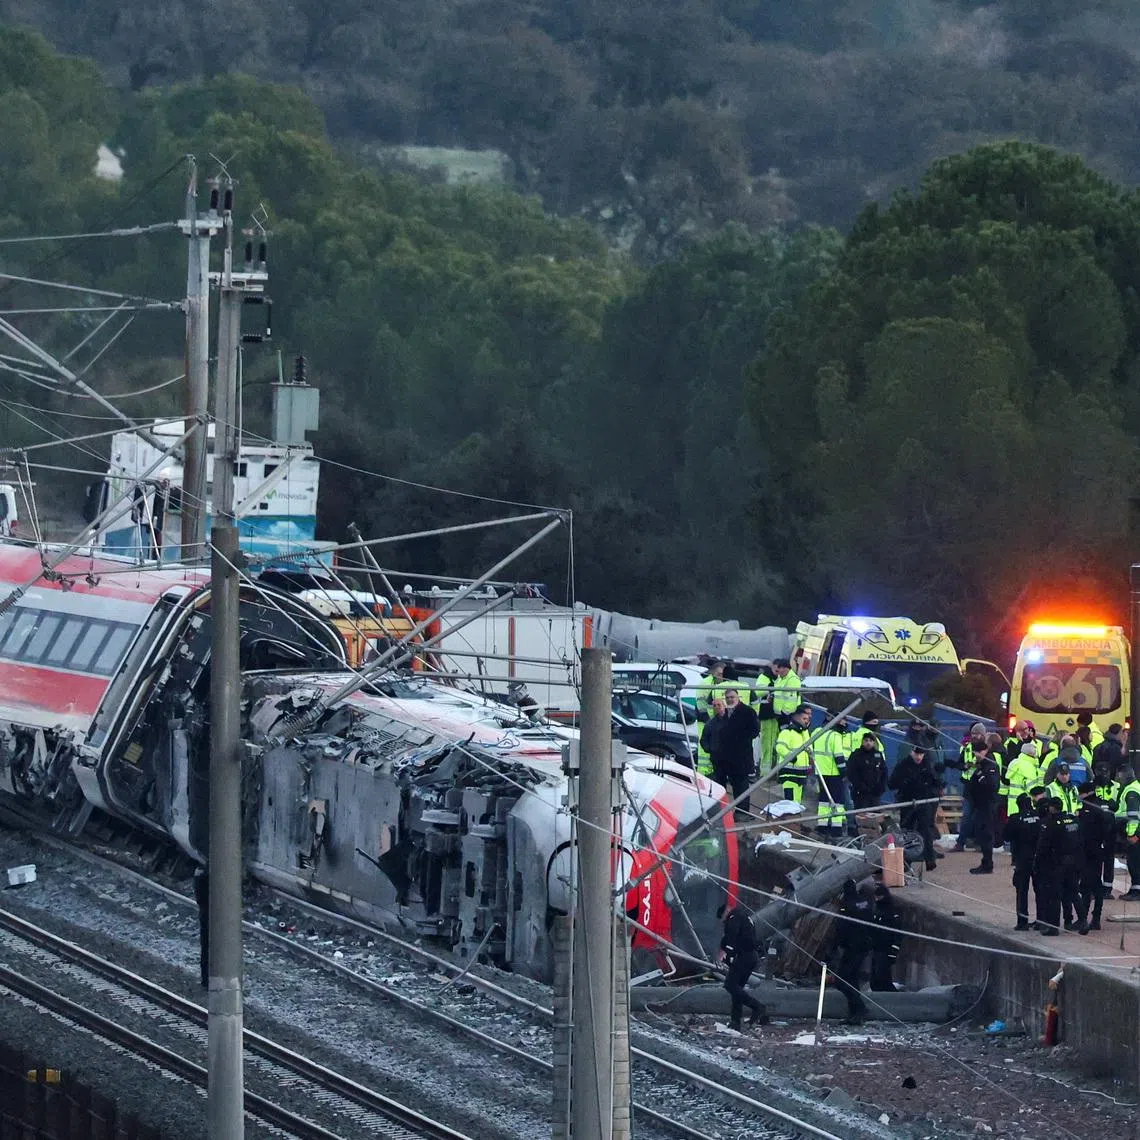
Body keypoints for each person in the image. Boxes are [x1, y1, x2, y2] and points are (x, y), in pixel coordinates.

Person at [1034, 796, 1083, 935]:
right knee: (1073, 893)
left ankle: (1053, 927)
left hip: (1057, 863)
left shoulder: (1051, 823)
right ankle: (1081, 920)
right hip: (1073, 861)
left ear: (1051, 808)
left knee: (1054, 895)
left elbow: (1043, 846)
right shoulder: (1074, 820)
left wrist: (1037, 863)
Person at [888, 742, 941, 871]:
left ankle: (929, 859)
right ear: (911, 752)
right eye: (917, 754)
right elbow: (892, 783)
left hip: (924, 802)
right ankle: (907, 861)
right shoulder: (903, 765)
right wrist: (905, 782)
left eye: (921, 754)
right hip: (908, 803)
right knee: (907, 832)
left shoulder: (927, 765)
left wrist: (934, 791)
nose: (919, 757)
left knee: (926, 831)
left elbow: (936, 782)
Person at [830, 879, 873, 1024]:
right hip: (863, 946)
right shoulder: (864, 902)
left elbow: (841, 928)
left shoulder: (847, 905)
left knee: (842, 980)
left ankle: (860, 1008)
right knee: (852, 979)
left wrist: (834, 946)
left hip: (852, 947)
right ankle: (854, 1013)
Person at [719, 905, 768, 1030]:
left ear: (726, 912)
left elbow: (732, 939)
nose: (723, 920)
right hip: (751, 956)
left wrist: (728, 955)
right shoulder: (744, 916)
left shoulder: (734, 918)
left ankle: (757, 1007)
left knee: (730, 985)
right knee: (737, 988)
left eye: (722, 917)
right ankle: (735, 1022)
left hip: (743, 956)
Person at [1005, 787, 1046, 930]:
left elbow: (1006, 837)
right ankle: (1041, 921)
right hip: (1038, 858)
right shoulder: (1039, 816)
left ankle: (1022, 922)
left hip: (1022, 859)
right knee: (1040, 890)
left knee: (1021, 891)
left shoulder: (1015, 819)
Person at [1077, 783, 1115, 933]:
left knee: (1087, 885)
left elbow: (1084, 832)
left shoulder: (1088, 809)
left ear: (1085, 793)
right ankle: (1095, 918)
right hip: (1102, 849)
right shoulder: (1103, 804)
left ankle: (1084, 919)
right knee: (1096, 884)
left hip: (1089, 851)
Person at [715, 688, 760, 816]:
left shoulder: (747, 711)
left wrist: (740, 737)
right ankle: (728, 812)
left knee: (741, 785)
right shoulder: (724, 712)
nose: (730, 699)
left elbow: (755, 730)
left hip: (741, 755)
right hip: (725, 756)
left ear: (738, 697)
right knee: (730, 785)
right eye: (727, 697)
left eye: (732, 697)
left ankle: (743, 812)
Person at [946, 722, 987, 852]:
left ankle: (979, 842)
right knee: (967, 816)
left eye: (978, 734)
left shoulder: (987, 748)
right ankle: (961, 843)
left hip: (981, 787)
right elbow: (960, 764)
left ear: (983, 735)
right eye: (973, 733)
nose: (975, 736)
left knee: (980, 817)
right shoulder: (967, 747)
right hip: (969, 787)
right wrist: (964, 766)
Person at [814, 715, 851, 840]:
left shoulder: (816, 732)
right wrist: (844, 774)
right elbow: (839, 757)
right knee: (838, 802)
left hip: (820, 772)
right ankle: (836, 830)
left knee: (823, 801)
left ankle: (822, 826)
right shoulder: (835, 736)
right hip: (833, 773)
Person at [966, 742, 1001, 874]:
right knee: (981, 834)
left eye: (979, 751)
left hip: (987, 804)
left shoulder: (990, 765)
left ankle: (987, 863)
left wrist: (980, 775)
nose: (977, 754)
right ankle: (986, 862)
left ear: (985, 751)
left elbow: (991, 785)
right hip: (980, 804)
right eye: (975, 752)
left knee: (986, 835)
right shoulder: (981, 764)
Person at [775, 704, 813, 803]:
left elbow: (808, 750)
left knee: (797, 802)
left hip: (801, 773)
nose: (807, 720)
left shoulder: (804, 733)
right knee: (790, 802)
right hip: (789, 773)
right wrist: (791, 757)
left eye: (807, 718)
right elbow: (779, 747)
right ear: (797, 718)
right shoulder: (788, 732)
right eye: (804, 718)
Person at [869, 881, 902, 991]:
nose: (876, 899)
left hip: (886, 950)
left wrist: (893, 953)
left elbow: (897, 934)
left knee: (882, 978)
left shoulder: (892, 913)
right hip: (877, 948)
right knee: (874, 979)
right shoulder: (877, 910)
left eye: (879, 897)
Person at [1114, 766, 1140, 900]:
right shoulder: (1136, 787)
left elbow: (1133, 815)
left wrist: (1131, 834)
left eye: (1120, 775)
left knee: (1134, 862)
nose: (1119, 778)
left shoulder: (1131, 791)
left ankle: (1136, 891)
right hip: (1136, 829)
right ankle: (1135, 889)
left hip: (1135, 831)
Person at [847, 731, 887, 812]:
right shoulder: (856, 755)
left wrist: (881, 787)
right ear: (862, 742)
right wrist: (859, 786)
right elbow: (851, 772)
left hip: (875, 792)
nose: (868, 743)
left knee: (875, 815)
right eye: (866, 740)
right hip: (860, 792)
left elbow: (884, 771)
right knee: (861, 815)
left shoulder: (878, 755)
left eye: (870, 741)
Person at [1005, 742, 1040, 819]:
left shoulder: (1014, 762)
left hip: (1012, 805)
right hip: (1025, 805)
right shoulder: (1028, 766)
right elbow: (1031, 788)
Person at [697, 697, 727, 778]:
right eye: (714, 705)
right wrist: (710, 750)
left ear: (724, 706)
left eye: (719, 705)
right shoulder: (710, 724)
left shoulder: (731, 721)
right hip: (716, 759)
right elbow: (703, 740)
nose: (716, 707)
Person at [193, 864, 209, 989]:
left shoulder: (200, 873)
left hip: (205, 914)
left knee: (206, 949)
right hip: (213, 915)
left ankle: (206, 980)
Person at [771, 658, 801, 726]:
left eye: (779, 670)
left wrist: (785, 712)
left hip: (787, 715)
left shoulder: (793, 679)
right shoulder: (780, 677)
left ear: (785, 669)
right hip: (779, 714)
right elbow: (779, 692)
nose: (777, 673)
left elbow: (792, 698)